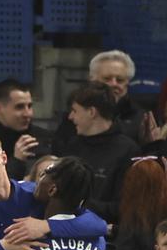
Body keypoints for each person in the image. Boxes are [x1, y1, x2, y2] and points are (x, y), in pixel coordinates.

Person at [56, 81, 139, 221]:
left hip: (105, 229)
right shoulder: (72, 146)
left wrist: (80, 205)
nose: (70, 117)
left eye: (75, 111)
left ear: (91, 112)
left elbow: (124, 207)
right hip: (66, 227)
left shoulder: (128, 151)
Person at [53, 50, 146, 146]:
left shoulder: (140, 118)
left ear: (128, 83)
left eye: (120, 80)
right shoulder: (76, 114)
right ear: (92, 80)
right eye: (107, 79)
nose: (114, 84)